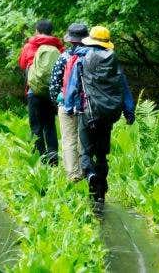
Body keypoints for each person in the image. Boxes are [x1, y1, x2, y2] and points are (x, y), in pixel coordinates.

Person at [62, 25, 135, 207]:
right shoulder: (114, 61)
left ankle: (91, 176)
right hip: (108, 114)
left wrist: (69, 106)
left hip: (87, 112)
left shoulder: (81, 58)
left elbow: (73, 85)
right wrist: (129, 111)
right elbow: (123, 87)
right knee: (102, 154)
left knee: (86, 152)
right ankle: (101, 192)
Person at [18, 19, 64, 165]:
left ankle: (39, 160)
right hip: (52, 92)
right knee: (49, 125)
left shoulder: (29, 46)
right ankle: (53, 159)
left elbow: (22, 64)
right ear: (52, 32)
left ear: (37, 30)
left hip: (34, 92)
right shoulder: (59, 48)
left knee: (36, 126)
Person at [49, 23, 89, 182]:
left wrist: (58, 101)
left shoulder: (63, 57)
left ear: (70, 40)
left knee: (68, 139)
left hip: (66, 104)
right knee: (84, 139)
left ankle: (73, 175)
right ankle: (86, 170)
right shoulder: (91, 56)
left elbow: (54, 84)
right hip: (87, 105)